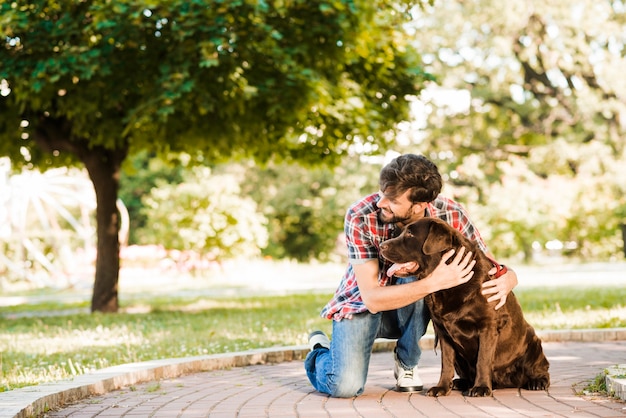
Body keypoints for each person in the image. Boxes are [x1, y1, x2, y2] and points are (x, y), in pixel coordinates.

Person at [304, 153, 518, 398]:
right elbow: (372, 298)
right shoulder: (360, 215)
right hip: (362, 304)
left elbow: (487, 265)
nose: (380, 203)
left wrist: (511, 277)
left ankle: (407, 363)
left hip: (413, 308)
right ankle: (320, 350)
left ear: (418, 206)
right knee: (344, 386)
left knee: (421, 276)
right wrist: (434, 282)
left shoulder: (451, 214)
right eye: (382, 192)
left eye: (392, 198)